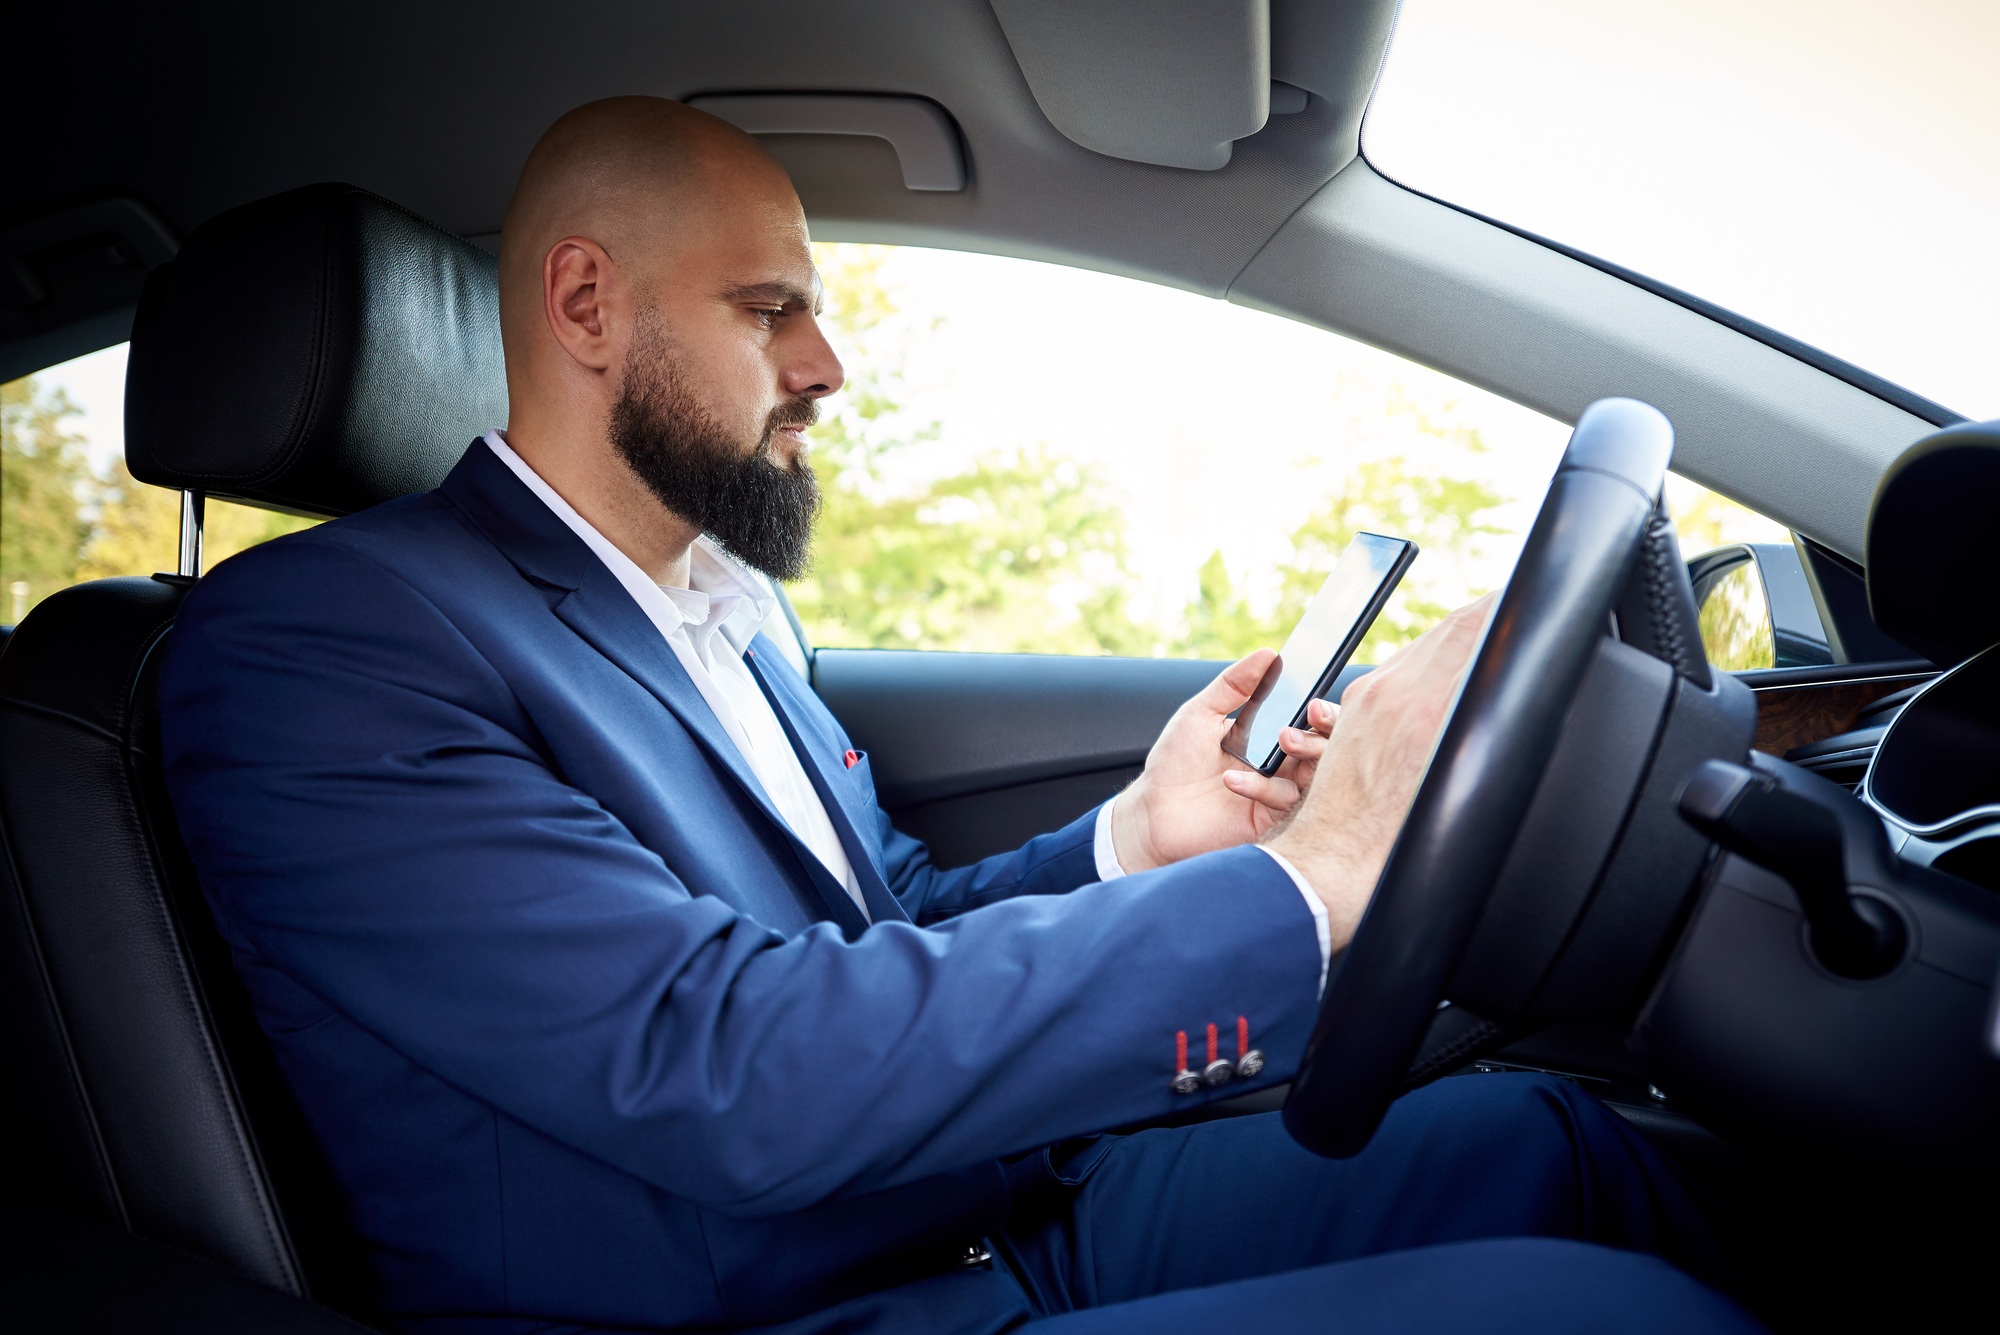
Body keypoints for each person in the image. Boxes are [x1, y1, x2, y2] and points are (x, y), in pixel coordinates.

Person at [158, 98, 1758, 1335]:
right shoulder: (318, 649)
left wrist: (1143, 838)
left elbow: (879, 925)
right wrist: (1320, 876)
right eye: (769, 308)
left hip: (977, 1217)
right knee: (1605, 1322)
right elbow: (726, 1065)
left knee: (1555, 1149)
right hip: (790, 1310)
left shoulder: (726, 609)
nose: (829, 362)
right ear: (587, 306)